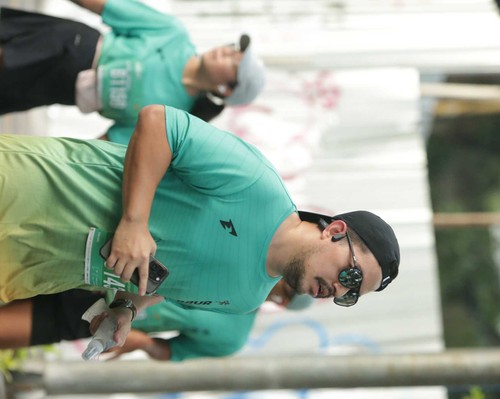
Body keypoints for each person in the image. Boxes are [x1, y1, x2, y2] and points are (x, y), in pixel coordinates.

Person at [0, 104, 400, 345]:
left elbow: (161, 284)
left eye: (350, 295)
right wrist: (135, 222)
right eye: (350, 274)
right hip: (27, 189)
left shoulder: (246, 300)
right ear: (334, 231)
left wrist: (125, 309)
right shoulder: (257, 184)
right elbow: (159, 122)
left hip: (26, 271)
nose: (338, 290)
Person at [0, 0, 266, 144]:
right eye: (233, 49)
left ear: (225, 90)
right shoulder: (173, 34)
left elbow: (108, 143)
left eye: (233, 63)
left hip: (55, 90)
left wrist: (61, 164)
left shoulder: (170, 116)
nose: (226, 52)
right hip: (68, 44)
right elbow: (108, 5)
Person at [0, 280, 313, 361]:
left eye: (286, 289)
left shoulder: (233, 336)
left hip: (95, 317)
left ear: (283, 303)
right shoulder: (235, 255)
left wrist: (142, 343)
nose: (277, 282)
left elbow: (172, 352)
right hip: (95, 271)